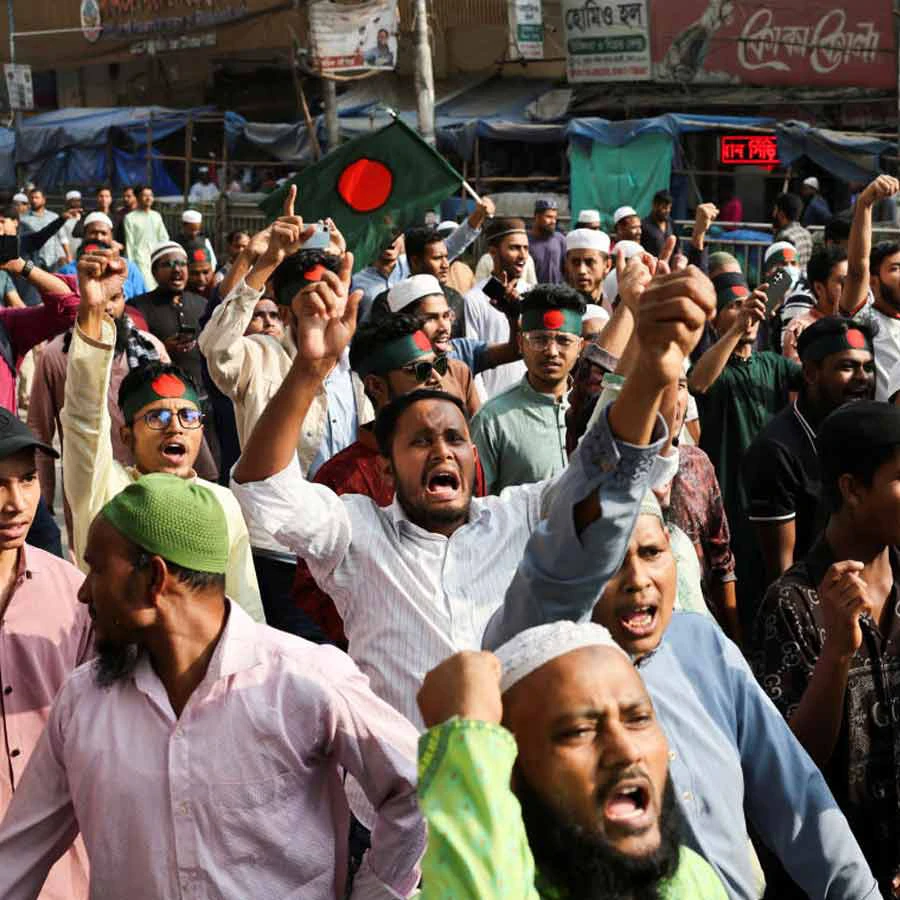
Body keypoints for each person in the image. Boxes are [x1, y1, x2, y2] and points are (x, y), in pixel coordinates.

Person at [230, 249, 711, 727]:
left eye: (455, 438)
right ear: (388, 469)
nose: (442, 452)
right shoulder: (356, 530)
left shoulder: (517, 514)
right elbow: (262, 491)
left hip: (513, 771)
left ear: (473, 454)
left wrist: (651, 356)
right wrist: (310, 370)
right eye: (421, 441)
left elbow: (601, 469)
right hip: (401, 773)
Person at [483, 407, 882, 900]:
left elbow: (791, 791)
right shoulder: (536, 668)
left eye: (652, 553)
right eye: (612, 563)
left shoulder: (702, 644)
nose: (637, 580)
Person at [0, 474, 425, 900]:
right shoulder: (82, 703)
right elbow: (15, 859)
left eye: (96, 569)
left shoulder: (302, 681)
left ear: (154, 579)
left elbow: (417, 784)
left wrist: (376, 892)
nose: (83, 592)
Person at [416, 628, 729, 898]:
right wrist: (467, 741)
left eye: (638, 719)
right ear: (508, 771)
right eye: (579, 731)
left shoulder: (692, 881)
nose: (625, 751)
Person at [60, 248, 263, 622]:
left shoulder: (222, 502)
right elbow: (83, 420)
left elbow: (245, 607)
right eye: (157, 417)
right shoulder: (107, 489)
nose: (175, 427)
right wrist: (92, 312)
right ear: (127, 436)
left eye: (188, 416)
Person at [199, 201, 370, 635]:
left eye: (331, 294)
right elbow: (216, 347)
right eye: (311, 299)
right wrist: (264, 264)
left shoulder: (358, 369)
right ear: (287, 312)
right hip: (277, 551)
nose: (324, 305)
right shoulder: (261, 356)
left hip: (346, 547)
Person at [752, 400, 900, 897]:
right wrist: (837, 652)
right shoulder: (792, 604)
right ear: (852, 489)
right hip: (832, 876)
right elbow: (789, 767)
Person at [0, 410, 92, 900]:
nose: (15, 504)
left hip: (62, 861)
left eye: (28, 480)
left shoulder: (74, 593)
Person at [27, 250, 168, 548]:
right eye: (98, 297)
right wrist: (42, 498)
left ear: (125, 300)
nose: (106, 306)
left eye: (114, 298)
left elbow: (174, 410)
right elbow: (40, 430)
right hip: (88, 483)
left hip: (148, 481)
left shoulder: (150, 349)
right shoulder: (55, 355)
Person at [689, 259, 800, 629]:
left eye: (748, 305)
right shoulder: (712, 367)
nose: (745, 313)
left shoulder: (775, 365)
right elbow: (698, 383)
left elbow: (818, 380)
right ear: (715, 321)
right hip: (728, 500)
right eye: (733, 307)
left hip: (773, 501)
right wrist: (737, 329)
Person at [744, 317, 874, 586]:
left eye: (868, 367)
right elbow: (781, 574)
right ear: (811, 373)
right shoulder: (776, 451)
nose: (862, 377)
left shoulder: (863, 434)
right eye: (847, 367)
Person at [471, 285, 584, 493]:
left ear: (580, 347)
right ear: (521, 344)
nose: (552, 351)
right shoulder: (492, 419)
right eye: (539, 340)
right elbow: (477, 502)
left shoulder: (596, 409)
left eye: (563, 341)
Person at [380, 272, 520, 389]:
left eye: (446, 316)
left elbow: (516, 351)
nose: (443, 327)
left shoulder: (462, 351)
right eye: (431, 318)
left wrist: (513, 317)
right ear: (405, 322)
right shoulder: (393, 369)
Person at [839, 174, 900, 399]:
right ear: (873, 280)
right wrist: (865, 203)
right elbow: (857, 269)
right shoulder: (865, 320)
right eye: (895, 268)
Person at [131, 242, 208, 407]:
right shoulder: (138, 307)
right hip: (161, 400)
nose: (177, 269)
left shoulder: (202, 304)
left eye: (182, 264)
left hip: (203, 397)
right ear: (154, 272)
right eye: (168, 264)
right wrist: (162, 349)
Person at [465, 217, 535, 398]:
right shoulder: (474, 299)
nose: (523, 255)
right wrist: (482, 405)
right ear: (493, 252)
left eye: (526, 248)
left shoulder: (534, 294)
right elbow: (472, 359)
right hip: (491, 401)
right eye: (514, 248)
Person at [57, 213, 147, 300]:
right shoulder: (67, 271)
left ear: (111, 237)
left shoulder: (129, 268)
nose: (98, 238)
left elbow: (141, 301)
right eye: (93, 232)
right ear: (84, 235)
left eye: (103, 233)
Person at [123, 186, 169, 289]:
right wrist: (131, 266)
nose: (148, 198)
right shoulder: (130, 218)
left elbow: (164, 238)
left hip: (156, 259)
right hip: (139, 261)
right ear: (137, 198)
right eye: (145, 195)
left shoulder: (156, 216)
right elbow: (129, 244)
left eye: (151, 195)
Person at [564, 227, 612, 315]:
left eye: (589, 262)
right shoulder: (557, 310)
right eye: (575, 262)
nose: (582, 271)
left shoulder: (615, 309)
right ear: (567, 264)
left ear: (607, 265)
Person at [19, 189, 67, 274]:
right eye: (32, 198)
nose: (34, 200)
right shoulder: (23, 219)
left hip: (53, 260)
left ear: (44, 200)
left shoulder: (54, 217)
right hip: (33, 261)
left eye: (37, 197)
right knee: (32, 279)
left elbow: (63, 239)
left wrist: (66, 256)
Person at [528, 198, 567, 285]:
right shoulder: (526, 242)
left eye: (555, 218)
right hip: (534, 291)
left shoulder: (560, 240)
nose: (553, 221)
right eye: (549, 217)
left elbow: (567, 269)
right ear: (537, 217)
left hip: (557, 291)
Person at [772, 192, 813, 268]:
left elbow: (782, 269)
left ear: (781, 214)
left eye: (775, 210)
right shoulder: (806, 233)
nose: (773, 214)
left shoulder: (784, 236)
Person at [641, 190, 675, 258]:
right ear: (655, 205)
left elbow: (678, 245)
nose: (668, 211)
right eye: (664, 208)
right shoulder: (644, 226)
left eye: (669, 208)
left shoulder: (670, 222)